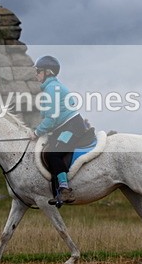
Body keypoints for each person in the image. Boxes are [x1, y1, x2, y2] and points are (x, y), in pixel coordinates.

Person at [29, 56, 94, 207]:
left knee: (53, 153)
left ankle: (65, 189)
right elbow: (46, 117)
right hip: (65, 126)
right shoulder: (49, 88)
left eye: (38, 71)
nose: (36, 74)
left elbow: (51, 118)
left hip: (72, 127)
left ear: (47, 72)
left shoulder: (52, 89)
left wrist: (37, 132)